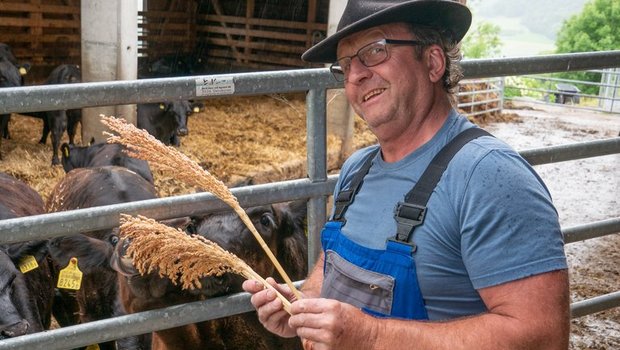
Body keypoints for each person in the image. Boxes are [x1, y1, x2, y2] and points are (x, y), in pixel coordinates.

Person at [242, 0, 570, 349]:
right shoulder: (356, 169)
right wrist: (299, 307)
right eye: (345, 64)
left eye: (375, 51)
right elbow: (332, 270)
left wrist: (369, 336)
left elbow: (542, 336)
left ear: (432, 62)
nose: (355, 75)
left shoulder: (489, 175)